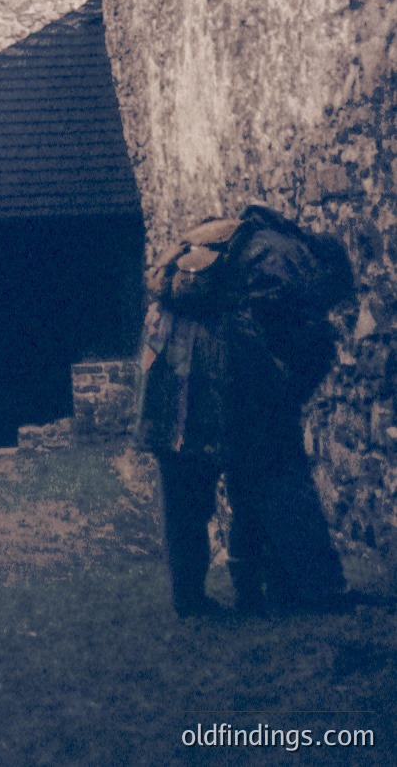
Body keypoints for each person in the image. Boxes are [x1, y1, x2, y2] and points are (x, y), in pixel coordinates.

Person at [134, 204, 354, 617]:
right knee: (276, 465)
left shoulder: (254, 240)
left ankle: (195, 599)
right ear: (328, 269)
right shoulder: (296, 261)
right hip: (219, 351)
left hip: (163, 351)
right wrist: (280, 406)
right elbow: (303, 346)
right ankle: (318, 590)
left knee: (184, 479)